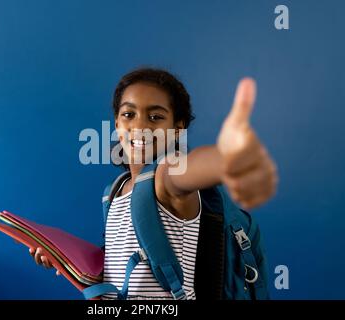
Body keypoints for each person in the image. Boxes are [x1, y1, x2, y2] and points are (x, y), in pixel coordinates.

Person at [31, 68, 278, 299]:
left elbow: (191, 170)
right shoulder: (114, 191)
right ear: (117, 124)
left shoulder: (165, 178)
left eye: (156, 116)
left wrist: (227, 159)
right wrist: (64, 260)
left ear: (178, 127)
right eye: (129, 114)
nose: (140, 126)